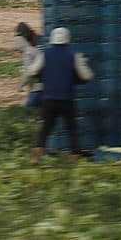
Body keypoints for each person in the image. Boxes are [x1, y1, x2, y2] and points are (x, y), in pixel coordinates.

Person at [29, 27, 94, 162]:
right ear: (68, 39)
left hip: (48, 98)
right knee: (71, 128)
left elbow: (32, 71)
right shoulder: (73, 55)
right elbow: (86, 75)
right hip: (66, 99)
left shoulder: (45, 54)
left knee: (46, 127)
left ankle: (38, 151)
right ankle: (74, 155)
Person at [14, 22, 44, 108]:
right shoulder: (39, 39)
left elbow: (30, 71)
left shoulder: (30, 49)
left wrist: (21, 84)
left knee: (29, 110)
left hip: (38, 86)